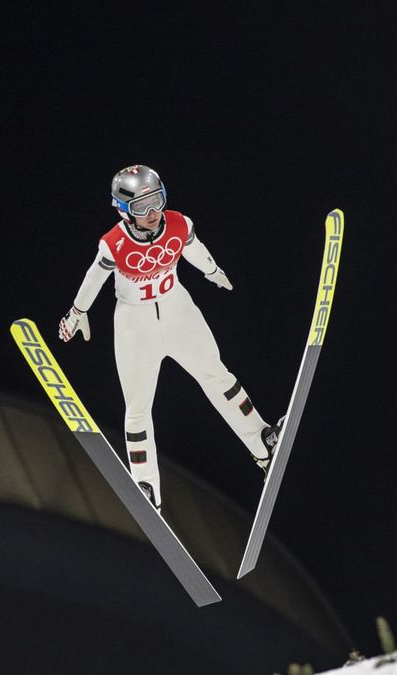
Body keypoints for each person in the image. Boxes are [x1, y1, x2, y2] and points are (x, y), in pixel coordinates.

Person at [58, 164, 283, 511]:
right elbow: (93, 279)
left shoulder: (179, 223)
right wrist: (76, 312)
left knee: (217, 376)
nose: (152, 214)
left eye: (157, 201)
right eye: (141, 207)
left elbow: (193, 248)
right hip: (135, 325)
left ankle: (263, 444)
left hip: (179, 311)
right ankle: (145, 485)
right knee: (137, 408)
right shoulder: (114, 244)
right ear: (123, 210)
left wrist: (212, 270)